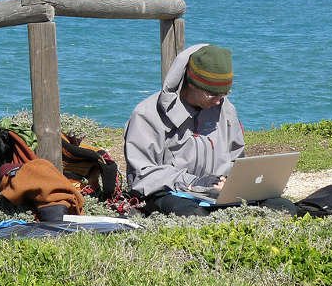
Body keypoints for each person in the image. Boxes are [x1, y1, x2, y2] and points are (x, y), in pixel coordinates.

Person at [124, 43, 297, 217]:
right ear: (191, 84)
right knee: (194, 215)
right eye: (213, 94)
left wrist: (233, 183)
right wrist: (196, 183)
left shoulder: (226, 109)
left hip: (216, 194)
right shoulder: (146, 114)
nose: (218, 101)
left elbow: (236, 159)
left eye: (224, 93)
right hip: (172, 193)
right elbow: (142, 174)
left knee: (283, 207)